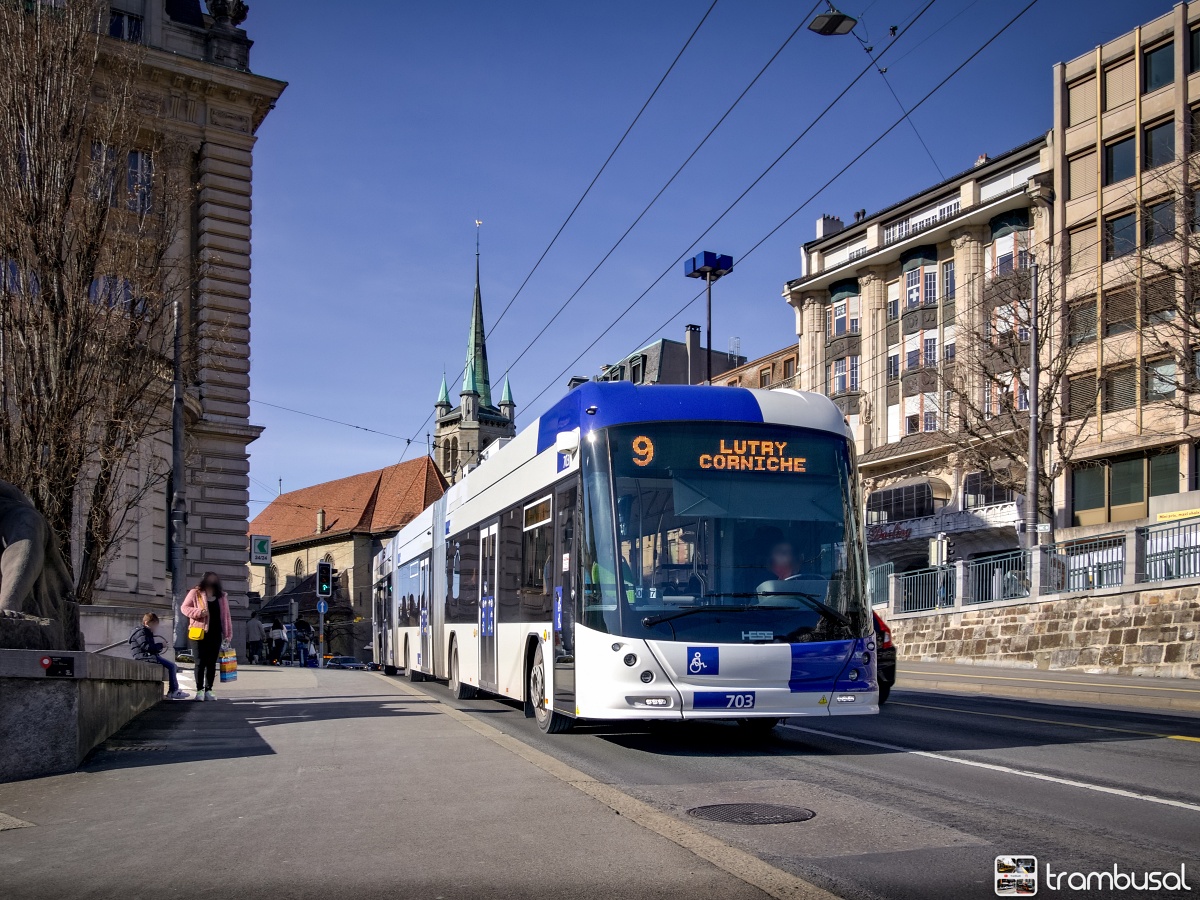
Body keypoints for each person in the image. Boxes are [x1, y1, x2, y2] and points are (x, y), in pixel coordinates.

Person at [181, 572, 232, 701]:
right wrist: (199, 612)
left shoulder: (221, 597)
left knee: (211, 663)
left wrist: (228, 634)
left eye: (214, 579)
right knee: (200, 662)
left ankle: (209, 689)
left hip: (215, 633)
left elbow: (226, 616)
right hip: (198, 632)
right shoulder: (195, 593)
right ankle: (199, 690)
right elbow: (184, 608)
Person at [134, 613, 188, 699]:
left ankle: (173, 690)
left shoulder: (145, 632)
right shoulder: (141, 632)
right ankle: (173, 690)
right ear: (146, 623)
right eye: (153, 625)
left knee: (172, 666)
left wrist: (159, 647)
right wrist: (160, 645)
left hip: (147, 655)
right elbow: (147, 647)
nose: (154, 628)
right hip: (144, 656)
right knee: (172, 666)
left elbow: (149, 647)